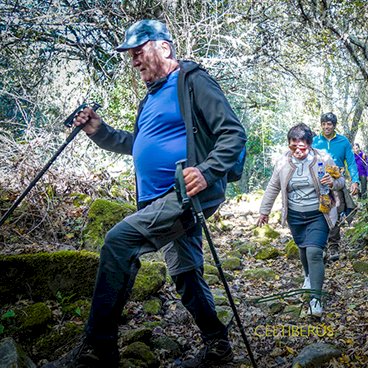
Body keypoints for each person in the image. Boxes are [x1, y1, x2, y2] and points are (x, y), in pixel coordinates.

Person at [51, 19, 246, 367]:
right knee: (185, 274)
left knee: (118, 240)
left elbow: (232, 134)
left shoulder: (192, 82)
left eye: (139, 52)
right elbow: (137, 144)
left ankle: (98, 348)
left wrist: (205, 170)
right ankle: (218, 344)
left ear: (164, 48)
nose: (135, 61)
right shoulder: (150, 99)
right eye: (131, 56)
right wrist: (99, 130)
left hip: (185, 194)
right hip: (156, 199)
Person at [257, 123, 344, 317]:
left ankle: (315, 299)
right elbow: (273, 187)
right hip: (295, 216)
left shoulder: (324, 158)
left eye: (302, 146)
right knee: (303, 249)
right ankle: (307, 276)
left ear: (310, 145)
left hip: (318, 214)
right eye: (293, 146)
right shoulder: (283, 162)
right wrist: (264, 211)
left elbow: (340, 182)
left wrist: (333, 182)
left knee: (314, 252)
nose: (297, 150)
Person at [312, 112, 359, 262]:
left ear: (334, 125)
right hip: (319, 184)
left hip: (336, 182)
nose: (326, 127)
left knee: (336, 213)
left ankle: (333, 245)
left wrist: (355, 181)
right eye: (324, 124)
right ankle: (321, 246)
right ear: (321, 125)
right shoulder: (314, 142)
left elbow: (351, 162)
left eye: (329, 124)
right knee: (320, 213)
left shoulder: (343, 142)